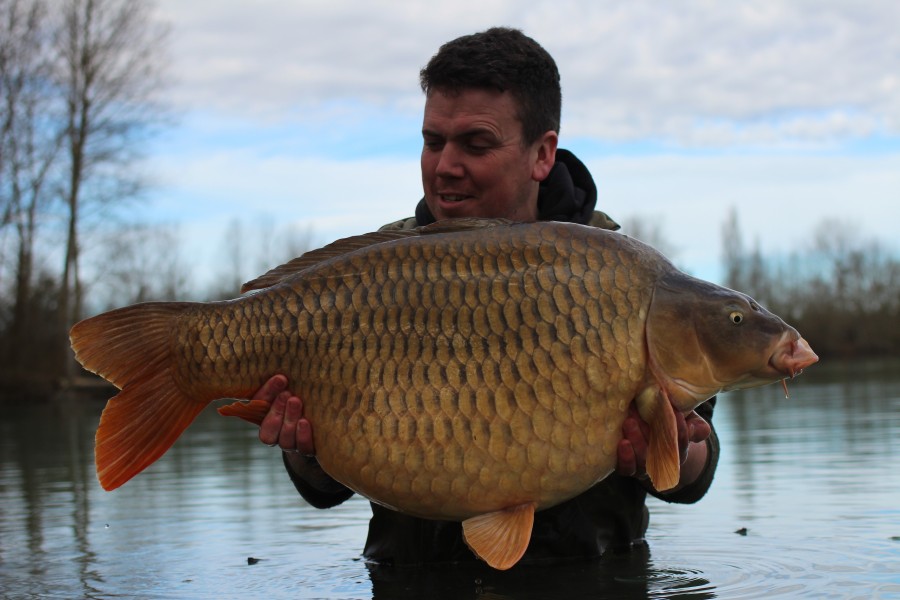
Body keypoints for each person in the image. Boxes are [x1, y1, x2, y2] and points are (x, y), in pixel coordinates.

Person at [252, 27, 718, 567]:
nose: (445, 165)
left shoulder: (623, 279)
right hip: (409, 582)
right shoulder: (372, 276)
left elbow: (698, 468)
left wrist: (669, 455)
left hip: (594, 580)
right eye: (432, 142)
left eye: (475, 144)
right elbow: (323, 489)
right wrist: (306, 452)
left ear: (542, 154)